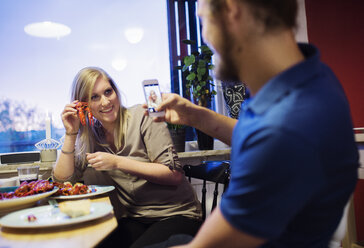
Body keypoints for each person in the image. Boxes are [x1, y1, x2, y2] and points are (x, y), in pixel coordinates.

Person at [148, 0, 360, 247]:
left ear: (231, 9)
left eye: (203, 20)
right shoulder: (309, 78)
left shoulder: (284, 130)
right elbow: (253, 135)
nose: (205, 37)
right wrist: (197, 116)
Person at [52, 67, 202, 248]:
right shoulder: (91, 136)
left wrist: (117, 162)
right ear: (83, 105)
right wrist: (71, 134)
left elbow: (174, 174)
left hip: (177, 214)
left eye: (108, 92)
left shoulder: (143, 116)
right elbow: (62, 182)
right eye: (95, 97)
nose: (106, 101)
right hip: (135, 218)